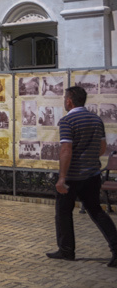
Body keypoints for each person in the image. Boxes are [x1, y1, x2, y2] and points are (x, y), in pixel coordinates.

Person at [46, 84, 117, 267]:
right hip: (92, 175)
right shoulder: (96, 120)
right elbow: (102, 147)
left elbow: (66, 149)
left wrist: (62, 178)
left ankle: (66, 250)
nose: (64, 101)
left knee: (63, 212)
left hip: (71, 177)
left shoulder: (67, 121)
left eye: (65, 99)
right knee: (97, 212)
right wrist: (89, 159)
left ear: (69, 101)